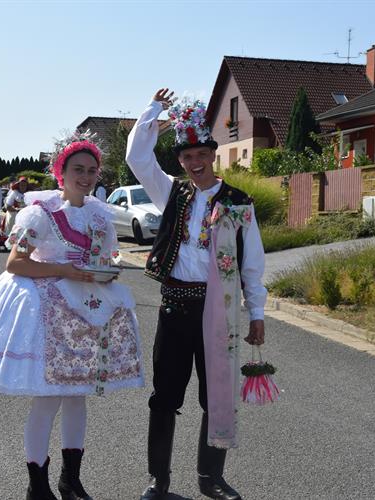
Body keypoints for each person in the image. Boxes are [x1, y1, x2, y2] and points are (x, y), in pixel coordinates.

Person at [0, 131, 144, 500]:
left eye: (91, 170)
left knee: (78, 398)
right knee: (48, 398)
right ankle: (37, 486)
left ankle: (71, 481)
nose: (85, 177)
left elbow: (104, 259)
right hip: (48, 315)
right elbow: (15, 263)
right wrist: (66, 271)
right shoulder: (38, 214)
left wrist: (106, 269)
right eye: (77, 169)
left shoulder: (101, 217)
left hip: (87, 315)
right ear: (61, 172)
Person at [126, 89, 267, 500]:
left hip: (218, 309)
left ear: (212, 153)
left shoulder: (239, 202)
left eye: (200, 154)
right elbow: (138, 158)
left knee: (217, 394)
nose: (194, 162)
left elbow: (252, 263)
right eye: (186, 157)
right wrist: (153, 111)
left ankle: (211, 480)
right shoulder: (171, 192)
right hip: (174, 305)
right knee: (164, 395)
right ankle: (159, 481)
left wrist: (255, 312)